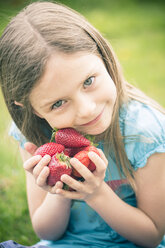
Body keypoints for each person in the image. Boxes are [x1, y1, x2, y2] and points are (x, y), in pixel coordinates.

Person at [0, 1, 165, 247]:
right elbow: (47, 232)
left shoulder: (144, 131)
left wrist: (96, 194)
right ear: (30, 108)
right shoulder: (35, 134)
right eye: (58, 103)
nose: (87, 109)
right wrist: (58, 190)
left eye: (88, 81)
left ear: (102, 55)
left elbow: (151, 236)